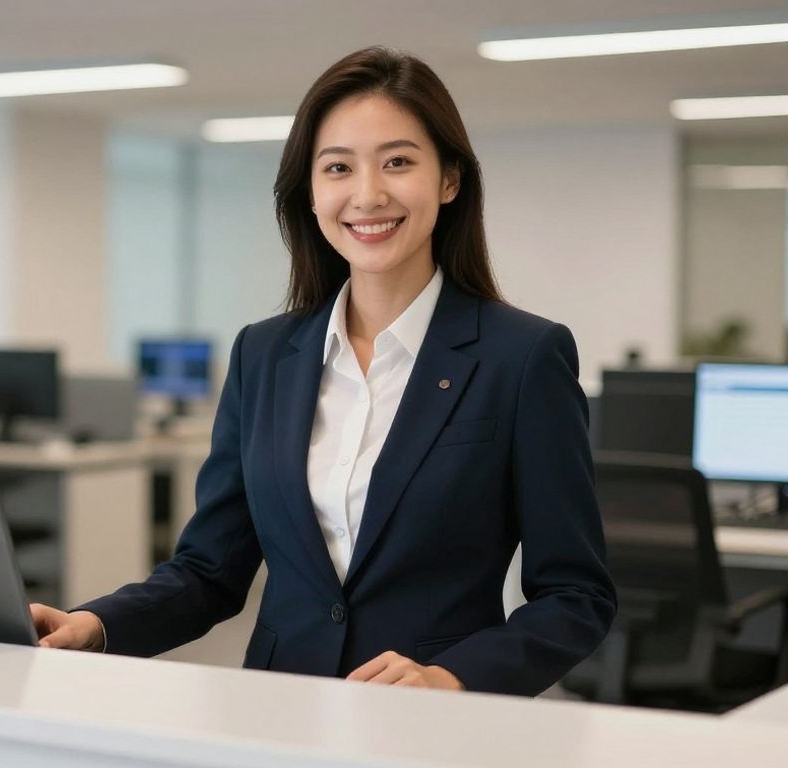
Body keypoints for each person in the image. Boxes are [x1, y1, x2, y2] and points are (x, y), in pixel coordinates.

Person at [30, 46, 616, 696]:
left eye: (398, 162)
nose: (367, 194)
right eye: (338, 167)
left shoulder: (522, 357)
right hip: (277, 714)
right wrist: (96, 625)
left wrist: (452, 677)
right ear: (310, 191)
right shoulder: (263, 355)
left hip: (432, 726)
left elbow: (576, 595)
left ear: (450, 178)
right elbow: (210, 571)